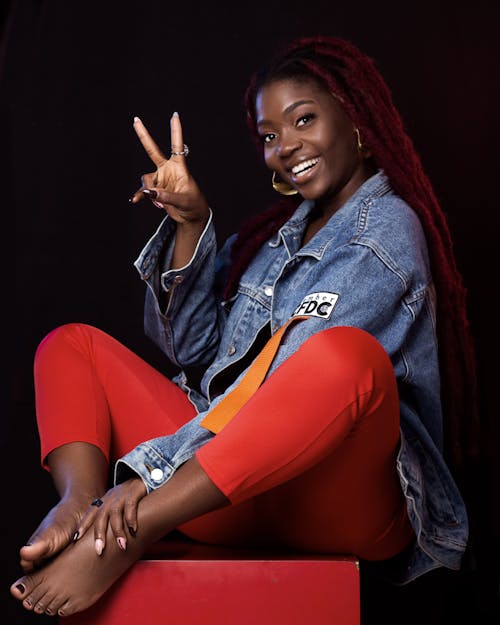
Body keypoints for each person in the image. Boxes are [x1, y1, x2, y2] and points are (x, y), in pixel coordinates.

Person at [10, 35, 477, 618]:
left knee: (344, 359)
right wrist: (191, 224)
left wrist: (147, 484)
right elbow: (193, 352)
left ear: (356, 117)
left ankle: (125, 533)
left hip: (335, 503)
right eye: (269, 136)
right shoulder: (273, 240)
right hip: (230, 491)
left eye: (304, 119)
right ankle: (82, 505)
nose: (286, 147)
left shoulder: (386, 232)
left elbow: (282, 379)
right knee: (71, 345)